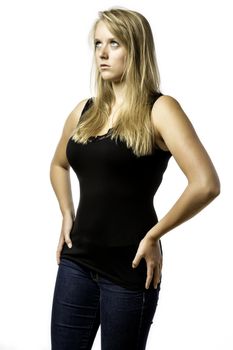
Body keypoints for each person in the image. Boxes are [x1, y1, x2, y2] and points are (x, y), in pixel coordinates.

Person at [49, 7, 220, 350]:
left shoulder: (161, 109)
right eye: (97, 43)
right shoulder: (84, 111)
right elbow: (58, 165)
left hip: (130, 265)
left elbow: (206, 183)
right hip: (76, 261)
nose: (102, 52)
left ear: (136, 48)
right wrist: (67, 213)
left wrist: (155, 234)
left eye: (114, 43)